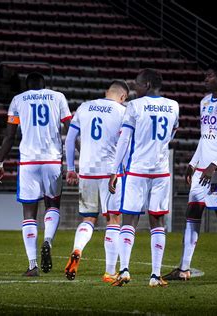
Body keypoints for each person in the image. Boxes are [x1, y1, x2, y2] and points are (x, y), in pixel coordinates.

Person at [162, 61, 217, 282]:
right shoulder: (204, 102)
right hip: (203, 167)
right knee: (192, 214)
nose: (205, 79)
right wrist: (194, 162)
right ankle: (183, 268)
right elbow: (205, 137)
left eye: (209, 76)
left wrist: (214, 164)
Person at [0, 72, 71, 276]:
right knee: (52, 205)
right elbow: (70, 128)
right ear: (45, 85)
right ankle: (47, 241)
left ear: (27, 86)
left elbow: (10, 136)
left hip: (28, 161)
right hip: (52, 159)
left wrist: (0, 161)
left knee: (29, 213)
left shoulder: (18, 100)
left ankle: (32, 264)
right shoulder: (58, 97)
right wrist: (74, 157)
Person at [108, 69, 179, 287]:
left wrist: (114, 170)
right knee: (157, 221)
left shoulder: (135, 106)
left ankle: (125, 270)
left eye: (137, 85)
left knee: (129, 220)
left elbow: (124, 140)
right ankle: (155, 275)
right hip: (161, 171)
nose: (134, 89)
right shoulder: (174, 106)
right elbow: (172, 134)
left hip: (137, 170)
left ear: (147, 84)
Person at [64, 80, 129, 282]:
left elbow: (68, 140)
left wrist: (71, 169)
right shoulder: (121, 111)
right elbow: (124, 143)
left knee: (88, 219)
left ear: (105, 92)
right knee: (114, 219)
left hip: (86, 170)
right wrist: (122, 169)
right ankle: (109, 271)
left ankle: (77, 248)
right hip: (110, 172)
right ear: (123, 97)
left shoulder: (84, 108)